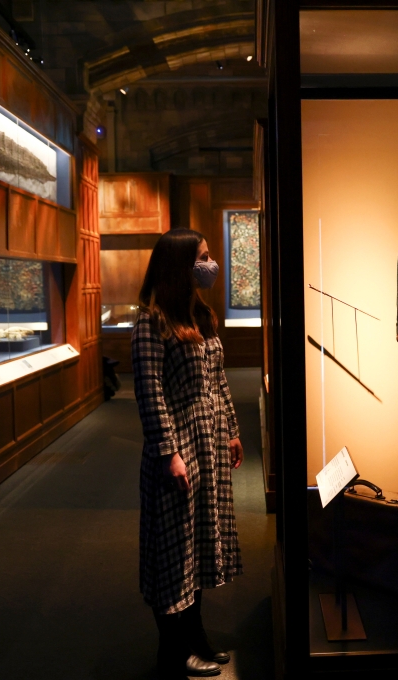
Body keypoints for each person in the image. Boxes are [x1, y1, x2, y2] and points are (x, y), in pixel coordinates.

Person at [132, 228, 244, 680]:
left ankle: (195, 637)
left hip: (208, 445)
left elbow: (218, 379)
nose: (210, 264)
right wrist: (168, 454)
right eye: (202, 257)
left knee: (198, 546)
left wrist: (231, 430)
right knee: (174, 552)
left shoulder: (201, 315)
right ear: (180, 266)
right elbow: (149, 393)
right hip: (178, 449)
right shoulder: (151, 322)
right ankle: (174, 652)